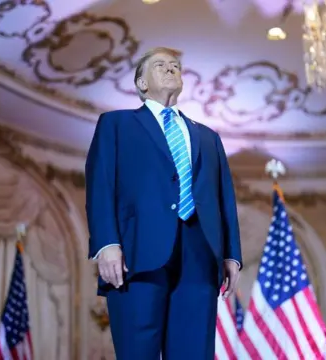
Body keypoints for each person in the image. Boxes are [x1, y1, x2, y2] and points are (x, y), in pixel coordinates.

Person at [85, 47, 242, 360]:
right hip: (136, 253)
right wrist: (106, 245)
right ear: (142, 84)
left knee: (194, 351)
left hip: (200, 253)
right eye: (160, 65)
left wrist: (232, 255)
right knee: (137, 351)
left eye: (175, 66)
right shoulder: (116, 125)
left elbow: (224, 197)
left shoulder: (209, 137)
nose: (171, 69)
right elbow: (100, 185)